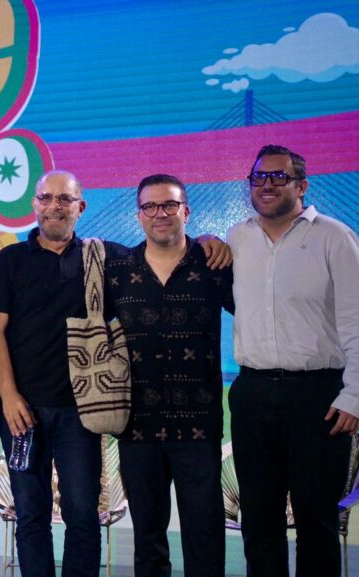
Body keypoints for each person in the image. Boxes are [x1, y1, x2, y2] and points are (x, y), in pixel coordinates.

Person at [227, 145, 359, 577]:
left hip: (318, 397)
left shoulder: (335, 238)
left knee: (317, 520)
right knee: (259, 520)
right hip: (253, 393)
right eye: (259, 177)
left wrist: (356, 396)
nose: (267, 184)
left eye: (279, 176)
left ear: (302, 185)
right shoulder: (236, 239)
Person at [104, 174, 234, 577]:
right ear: (139, 215)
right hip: (137, 425)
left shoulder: (214, 264)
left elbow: (259, 314)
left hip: (198, 424)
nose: (159, 213)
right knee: (148, 539)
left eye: (169, 205)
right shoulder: (117, 270)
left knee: (204, 536)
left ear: (186, 212)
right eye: (150, 206)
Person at [0, 170, 102, 577]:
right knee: (31, 514)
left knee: (82, 513)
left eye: (65, 199)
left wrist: (206, 241)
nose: (55, 206)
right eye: (46, 198)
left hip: (80, 413)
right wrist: (9, 396)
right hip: (22, 412)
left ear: (80, 207)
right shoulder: (10, 261)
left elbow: (158, 249)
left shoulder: (100, 259)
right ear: (34, 204)